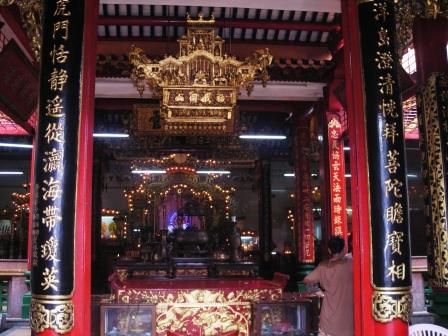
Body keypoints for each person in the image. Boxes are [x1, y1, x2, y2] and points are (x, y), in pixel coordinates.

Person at [303, 236, 353, 336]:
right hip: (349, 321)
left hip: (328, 319)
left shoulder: (323, 266)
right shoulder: (352, 263)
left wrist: (319, 292)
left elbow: (307, 280)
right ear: (344, 249)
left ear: (329, 250)